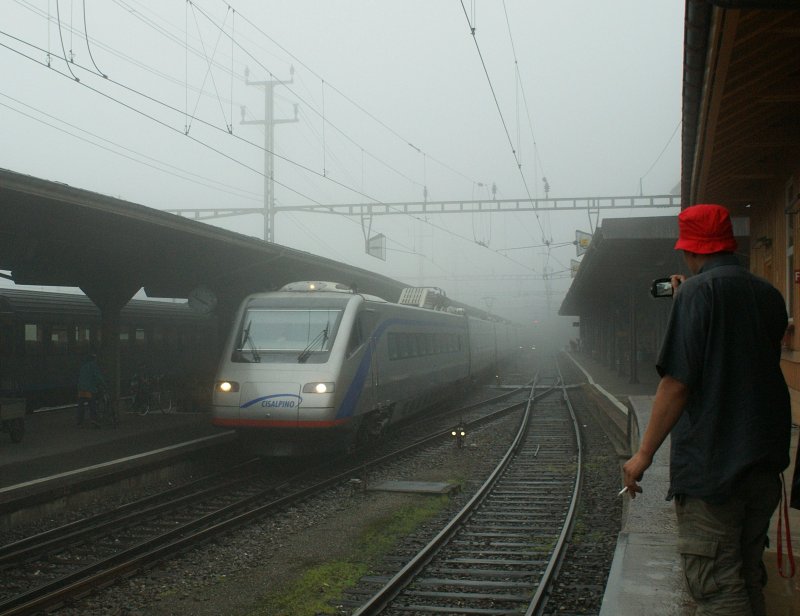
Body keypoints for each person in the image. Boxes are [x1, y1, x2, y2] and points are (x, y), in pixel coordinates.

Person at [622, 204, 791, 616]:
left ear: (690, 251)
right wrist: (690, 300)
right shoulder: (769, 294)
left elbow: (678, 383)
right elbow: (735, 355)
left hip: (714, 466)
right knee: (746, 573)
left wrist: (643, 456)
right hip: (763, 462)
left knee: (716, 586)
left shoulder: (697, 294)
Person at [76, 352, 106, 427]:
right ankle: (93, 420)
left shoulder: (83, 366)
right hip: (89, 389)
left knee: (81, 405)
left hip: (81, 389)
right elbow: (98, 377)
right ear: (94, 359)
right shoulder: (93, 366)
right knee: (92, 405)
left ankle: (79, 422)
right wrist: (104, 384)